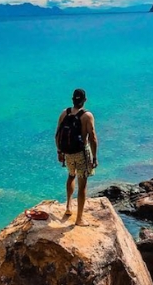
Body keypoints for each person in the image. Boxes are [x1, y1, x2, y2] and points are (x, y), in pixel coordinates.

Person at [55, 88, 98, 226]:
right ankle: (79, 219)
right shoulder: (87, 116)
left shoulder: (64, 113)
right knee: (83, 185)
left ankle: (68, 206)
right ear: (85, 100)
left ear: (72, 99)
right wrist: (95, 157)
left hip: (68, 153)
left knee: (71, 175)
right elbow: (93, 138)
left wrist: (60, 152)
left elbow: (57, 134)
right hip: (81, 153)